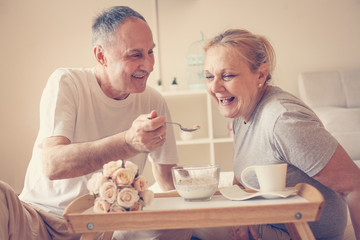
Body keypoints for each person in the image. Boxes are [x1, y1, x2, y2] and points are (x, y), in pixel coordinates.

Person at [0, 6, 192, 240]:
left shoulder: (153, 100)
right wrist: (128, 142)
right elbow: (53, 165)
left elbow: (167, 182)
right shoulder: (67, 82)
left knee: (178, 225)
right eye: (135, 55)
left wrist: (203, 188)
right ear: (101, 56)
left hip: (103, 228)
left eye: (150, 52)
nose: (149, 65)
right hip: (40, 220)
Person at [203, 29, 360, 239]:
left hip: (302, 233)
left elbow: (354, 185)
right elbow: (242, 180)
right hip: (269, 223)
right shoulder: (242, 114)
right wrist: (242, 216)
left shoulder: (283, 119)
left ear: (261, 75)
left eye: (228, 75)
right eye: (208, 76)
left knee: (186, 225)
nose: (214, 87)